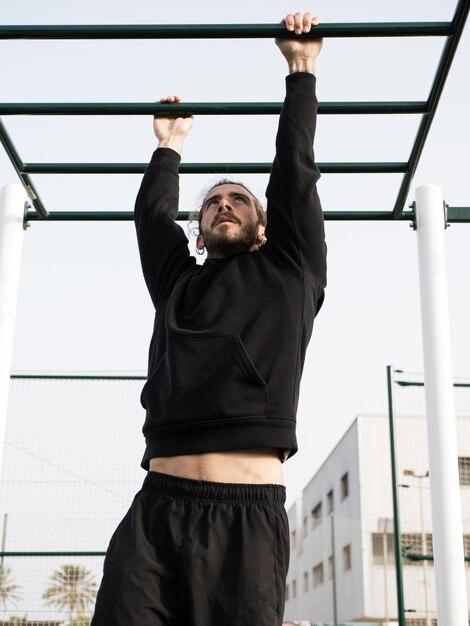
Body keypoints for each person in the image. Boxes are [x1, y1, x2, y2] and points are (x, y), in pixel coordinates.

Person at [91, 11, 326, 626]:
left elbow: (294, 172)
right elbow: (150, 221)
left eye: (238, 199)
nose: (224, 204)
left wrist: (300, 72)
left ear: (263, 225)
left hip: (245, 513)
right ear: (197, 230)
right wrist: (169, 145)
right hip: (156, 507)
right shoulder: (179, 283)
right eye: (212, 202)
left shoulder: (289, 270)